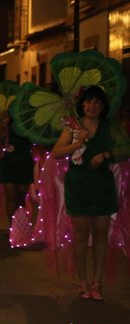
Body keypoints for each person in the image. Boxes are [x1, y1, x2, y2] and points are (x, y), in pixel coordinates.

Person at [51, 85, 117, 301]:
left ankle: (98, 283)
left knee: (100, 234)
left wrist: (106, 154)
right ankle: (82, 281)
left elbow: (125, 148)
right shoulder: (73, 125)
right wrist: (77, 143)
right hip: (78, 185)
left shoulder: (110, 126)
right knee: (80, 234)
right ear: (82, 104)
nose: (92, 106)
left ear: (103, 106)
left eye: (97, 102)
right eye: (88, 101)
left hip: (102, 186)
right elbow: (56, 153)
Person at [0, 112, 34, 226]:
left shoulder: (29, 122)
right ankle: (13, 228)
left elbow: (35, 141)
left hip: (25, 161)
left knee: (21, 198)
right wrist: (2, 126)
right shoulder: (4, 121)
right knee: (12, 196)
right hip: (9, 161)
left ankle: (20, 226)